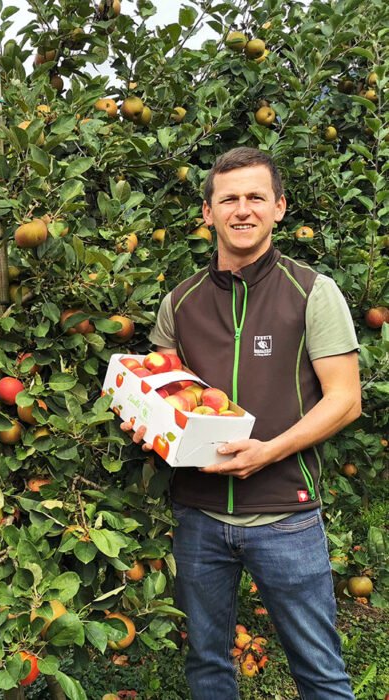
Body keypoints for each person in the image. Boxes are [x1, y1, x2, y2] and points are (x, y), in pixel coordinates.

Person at [122, 147, 361, 699]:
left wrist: (268, 452)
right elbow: (160, 390)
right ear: (207, 213)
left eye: (256, 197)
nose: (243, 209)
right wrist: (146, 421)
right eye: (228, 199)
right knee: (207, 666)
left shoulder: (312, 292)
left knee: (320, 673)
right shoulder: (179, 302)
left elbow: (345, 400)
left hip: (285, 516)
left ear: (279, 208)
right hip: (198, 516)